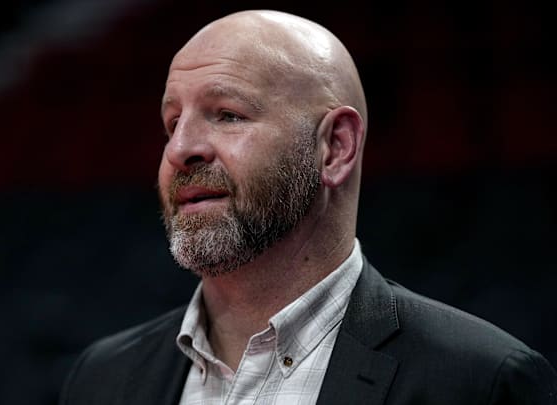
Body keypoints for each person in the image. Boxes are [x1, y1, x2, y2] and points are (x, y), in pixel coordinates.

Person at [60, 10, 557, 405]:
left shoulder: (480, 381)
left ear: (335, 147)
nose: (179, 149)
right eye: (172, 122)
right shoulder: (102, 378)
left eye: (228, 115)